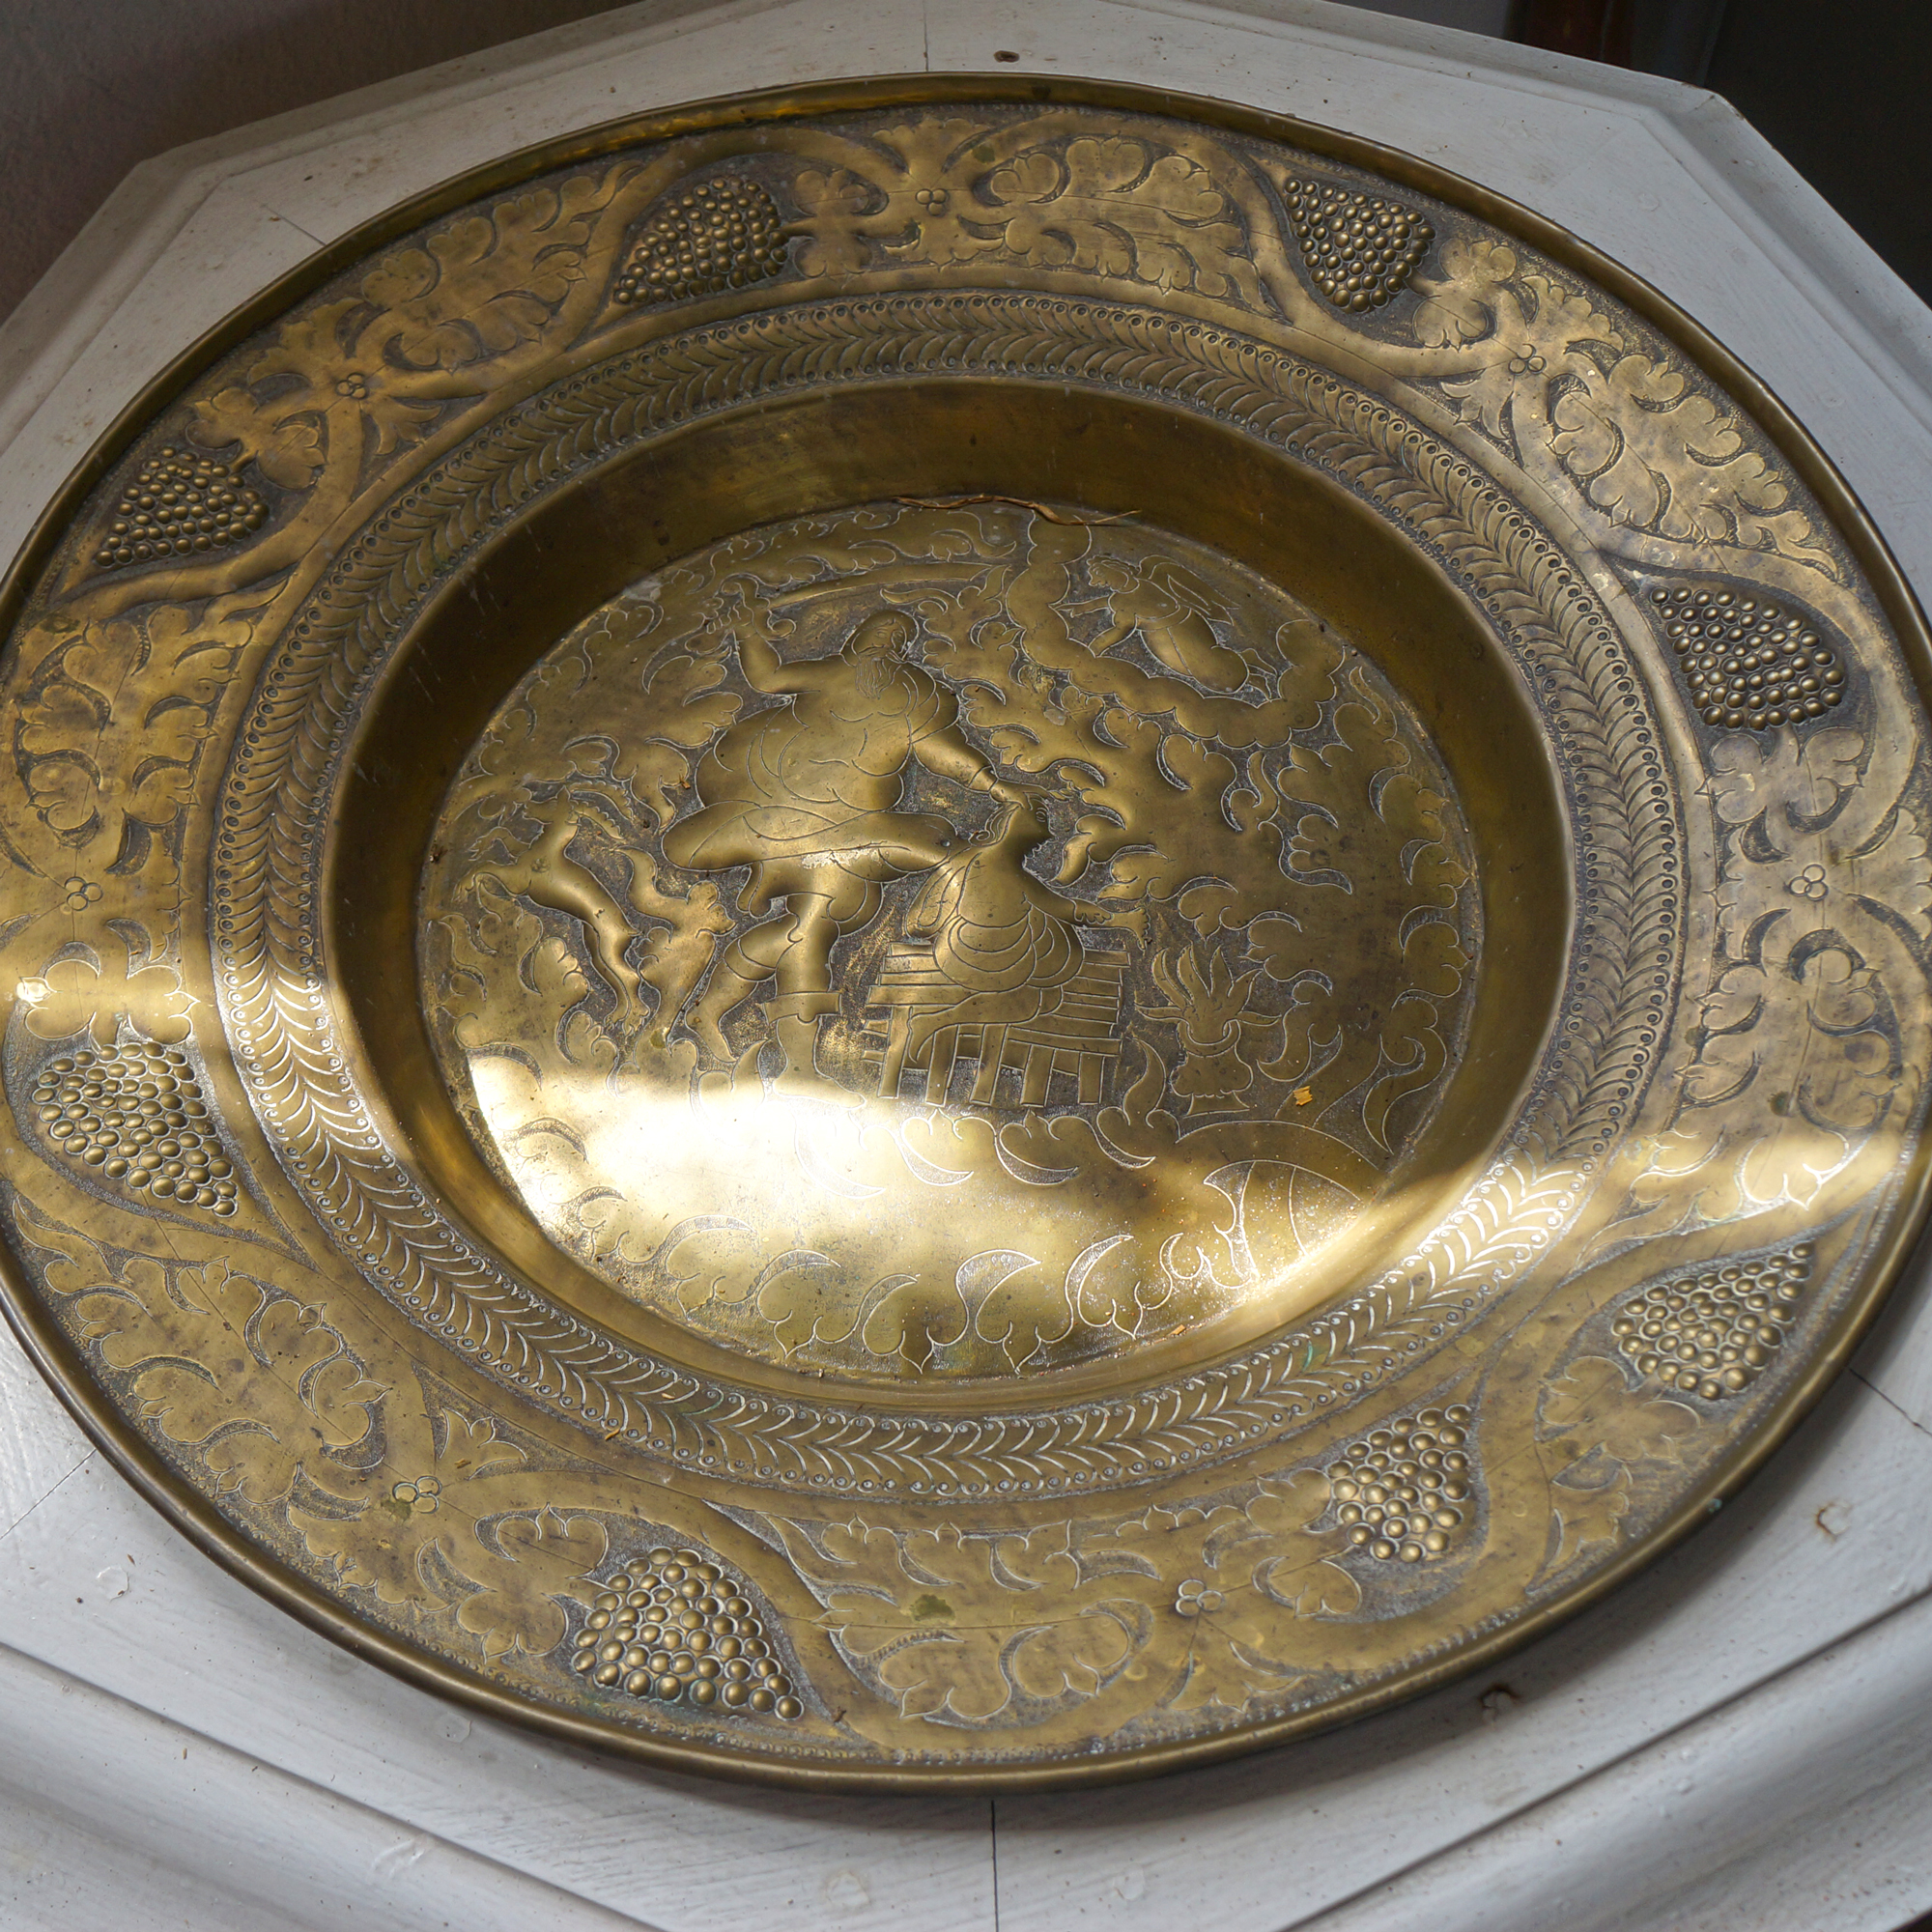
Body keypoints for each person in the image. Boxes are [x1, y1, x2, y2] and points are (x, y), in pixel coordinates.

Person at [664, 609, 1039, 1094]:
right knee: (807, 932)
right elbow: (768, 677)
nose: (885, 641)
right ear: (856, 638)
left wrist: (993, 785)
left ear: (902, 652)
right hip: (785, 814)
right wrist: (748, 631)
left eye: (896, 638)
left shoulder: (913, 694)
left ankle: (751, 1033)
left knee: (811, 930)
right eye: (877, 632)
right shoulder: (830, 673)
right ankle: (778, 1051)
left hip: (857, 824)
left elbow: (940, 752)